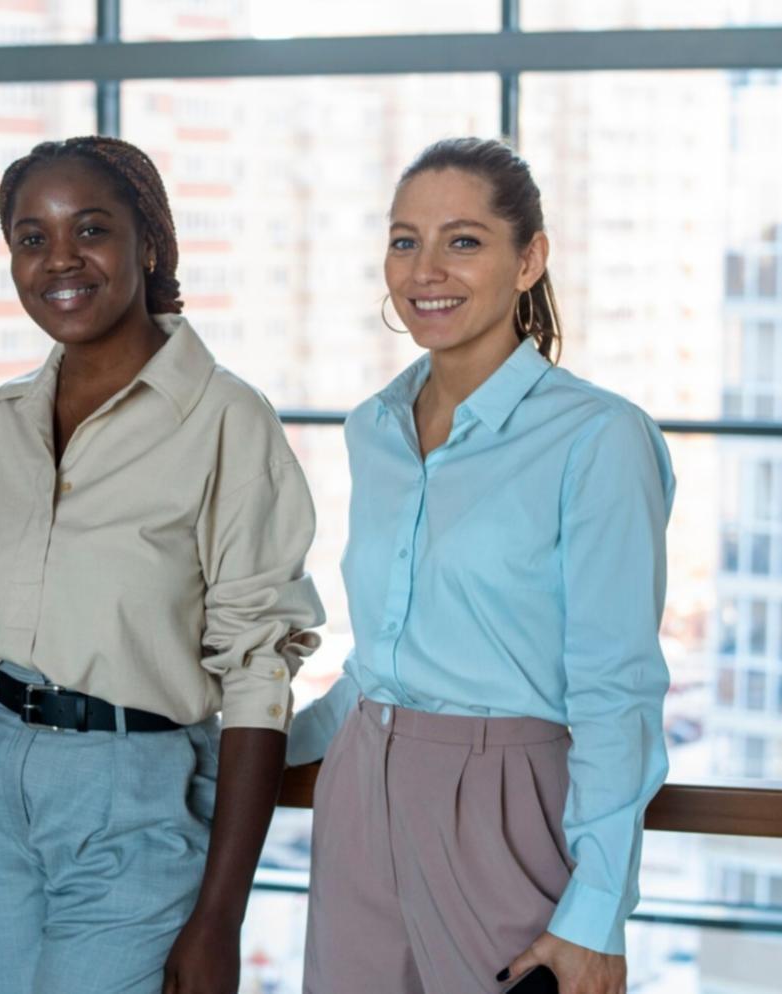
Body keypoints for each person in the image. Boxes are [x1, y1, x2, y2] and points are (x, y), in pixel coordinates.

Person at [0, 135, 325, 994]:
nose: (59, 260)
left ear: (148, 242)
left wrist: (221, 918)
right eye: (30, 238)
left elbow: (257, 671)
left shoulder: (225, 420)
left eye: (90, 230)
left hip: (137, 794)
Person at [286, 137, 673, 994]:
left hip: (508, 806)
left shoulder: (597, 438)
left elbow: (617, 688)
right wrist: (263, 746)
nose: (426, 269)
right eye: (403, 240)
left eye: (462, 240)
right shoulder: (372, 428)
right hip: (357, 797)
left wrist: (595, 911)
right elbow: (384, 658)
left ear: (528, 259)